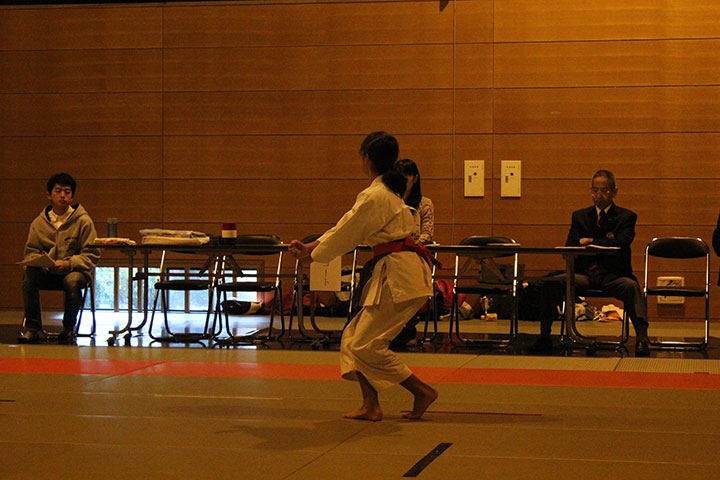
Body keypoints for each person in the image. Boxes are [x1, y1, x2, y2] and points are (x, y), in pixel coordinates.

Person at [289, 132, 438, 421]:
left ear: (366, 158)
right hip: (397, 272)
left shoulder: (376, 194)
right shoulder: (384, 193)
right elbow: (347, 226)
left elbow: (347, 231)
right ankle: (371, 404)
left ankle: (421, 390)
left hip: (400, 275)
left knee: (365, 344)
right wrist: (311, 247)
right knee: (352, 339)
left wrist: (313, 253)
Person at [530, 169, 650, 357]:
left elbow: (622, 241)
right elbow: (571, 244)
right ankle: (544, 336)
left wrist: (592, 241)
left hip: (613, 274)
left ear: (614, 192)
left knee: (632, 287)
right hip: (584, 273)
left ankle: (642, 338)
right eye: (595, 190)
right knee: (552, 282)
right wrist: (600, 243)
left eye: (604, 191)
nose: (598, 195)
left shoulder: (626, 217)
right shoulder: (580, 216)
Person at [17, 173, 100, 344]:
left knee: (72, 281)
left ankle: (68, 328)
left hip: (73, 271)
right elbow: (31, 251)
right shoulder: (39, 223)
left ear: (72, 196)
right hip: (47, 271)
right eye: (58, 191)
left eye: (67, 192)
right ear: (49, 195)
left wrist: (68, 264)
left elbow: (91, 255)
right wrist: (36, 260)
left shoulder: (83, 221)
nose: (63, 195)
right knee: (29, 276)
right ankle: (32, 329)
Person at [394, 158, 434, 245]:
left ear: (415, 179)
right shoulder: (390, 201)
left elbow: (427, 235)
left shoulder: (425, 204)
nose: (402, 181)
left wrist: (407, 243)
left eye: (405, 177)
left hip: (415, 249)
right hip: (392, 250)